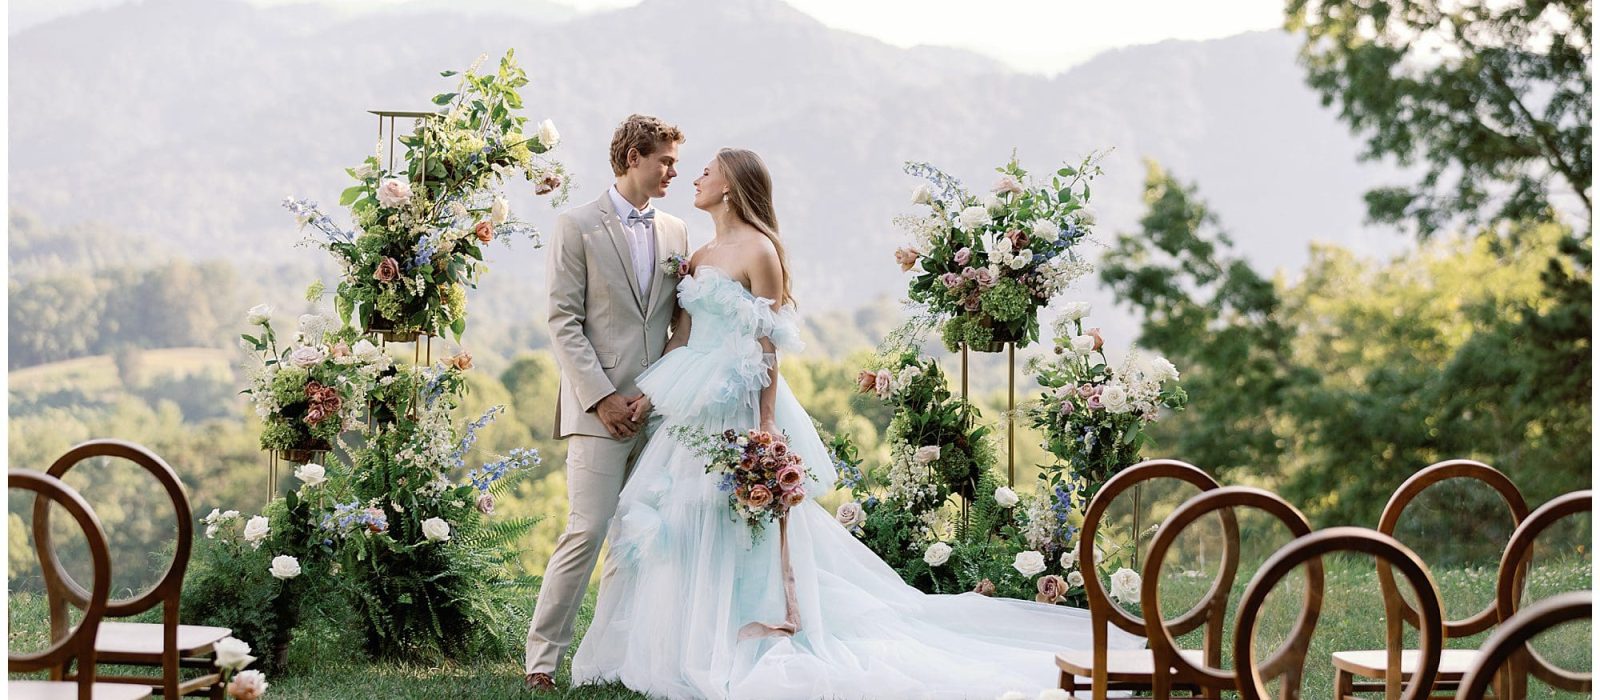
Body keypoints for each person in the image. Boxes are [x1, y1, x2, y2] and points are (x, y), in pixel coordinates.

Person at [569, 147, 1138, 698]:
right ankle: (683, 641)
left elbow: (768, 344)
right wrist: (651, 395)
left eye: (707, 171)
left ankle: (749, 630)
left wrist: (765, 424)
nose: (694, 178)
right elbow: (685, 334)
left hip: (738, 397)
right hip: (691, 394)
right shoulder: (698, 253)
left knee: (739, 523)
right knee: (680, 516)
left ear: (732, 184)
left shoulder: (760, 252)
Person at [524, 114, 690, 692]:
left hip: (657, 410)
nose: (673, 171)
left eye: (674, 161)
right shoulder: (576, 226)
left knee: (637, 535)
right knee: (587, 531)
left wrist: (652, 394)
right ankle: (541, 660)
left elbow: (677, 325)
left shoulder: (676, 231)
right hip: (596, 411)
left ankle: (613, 655)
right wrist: (603, 398)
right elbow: (563, 321)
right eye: (665, 160)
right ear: (632, 159)